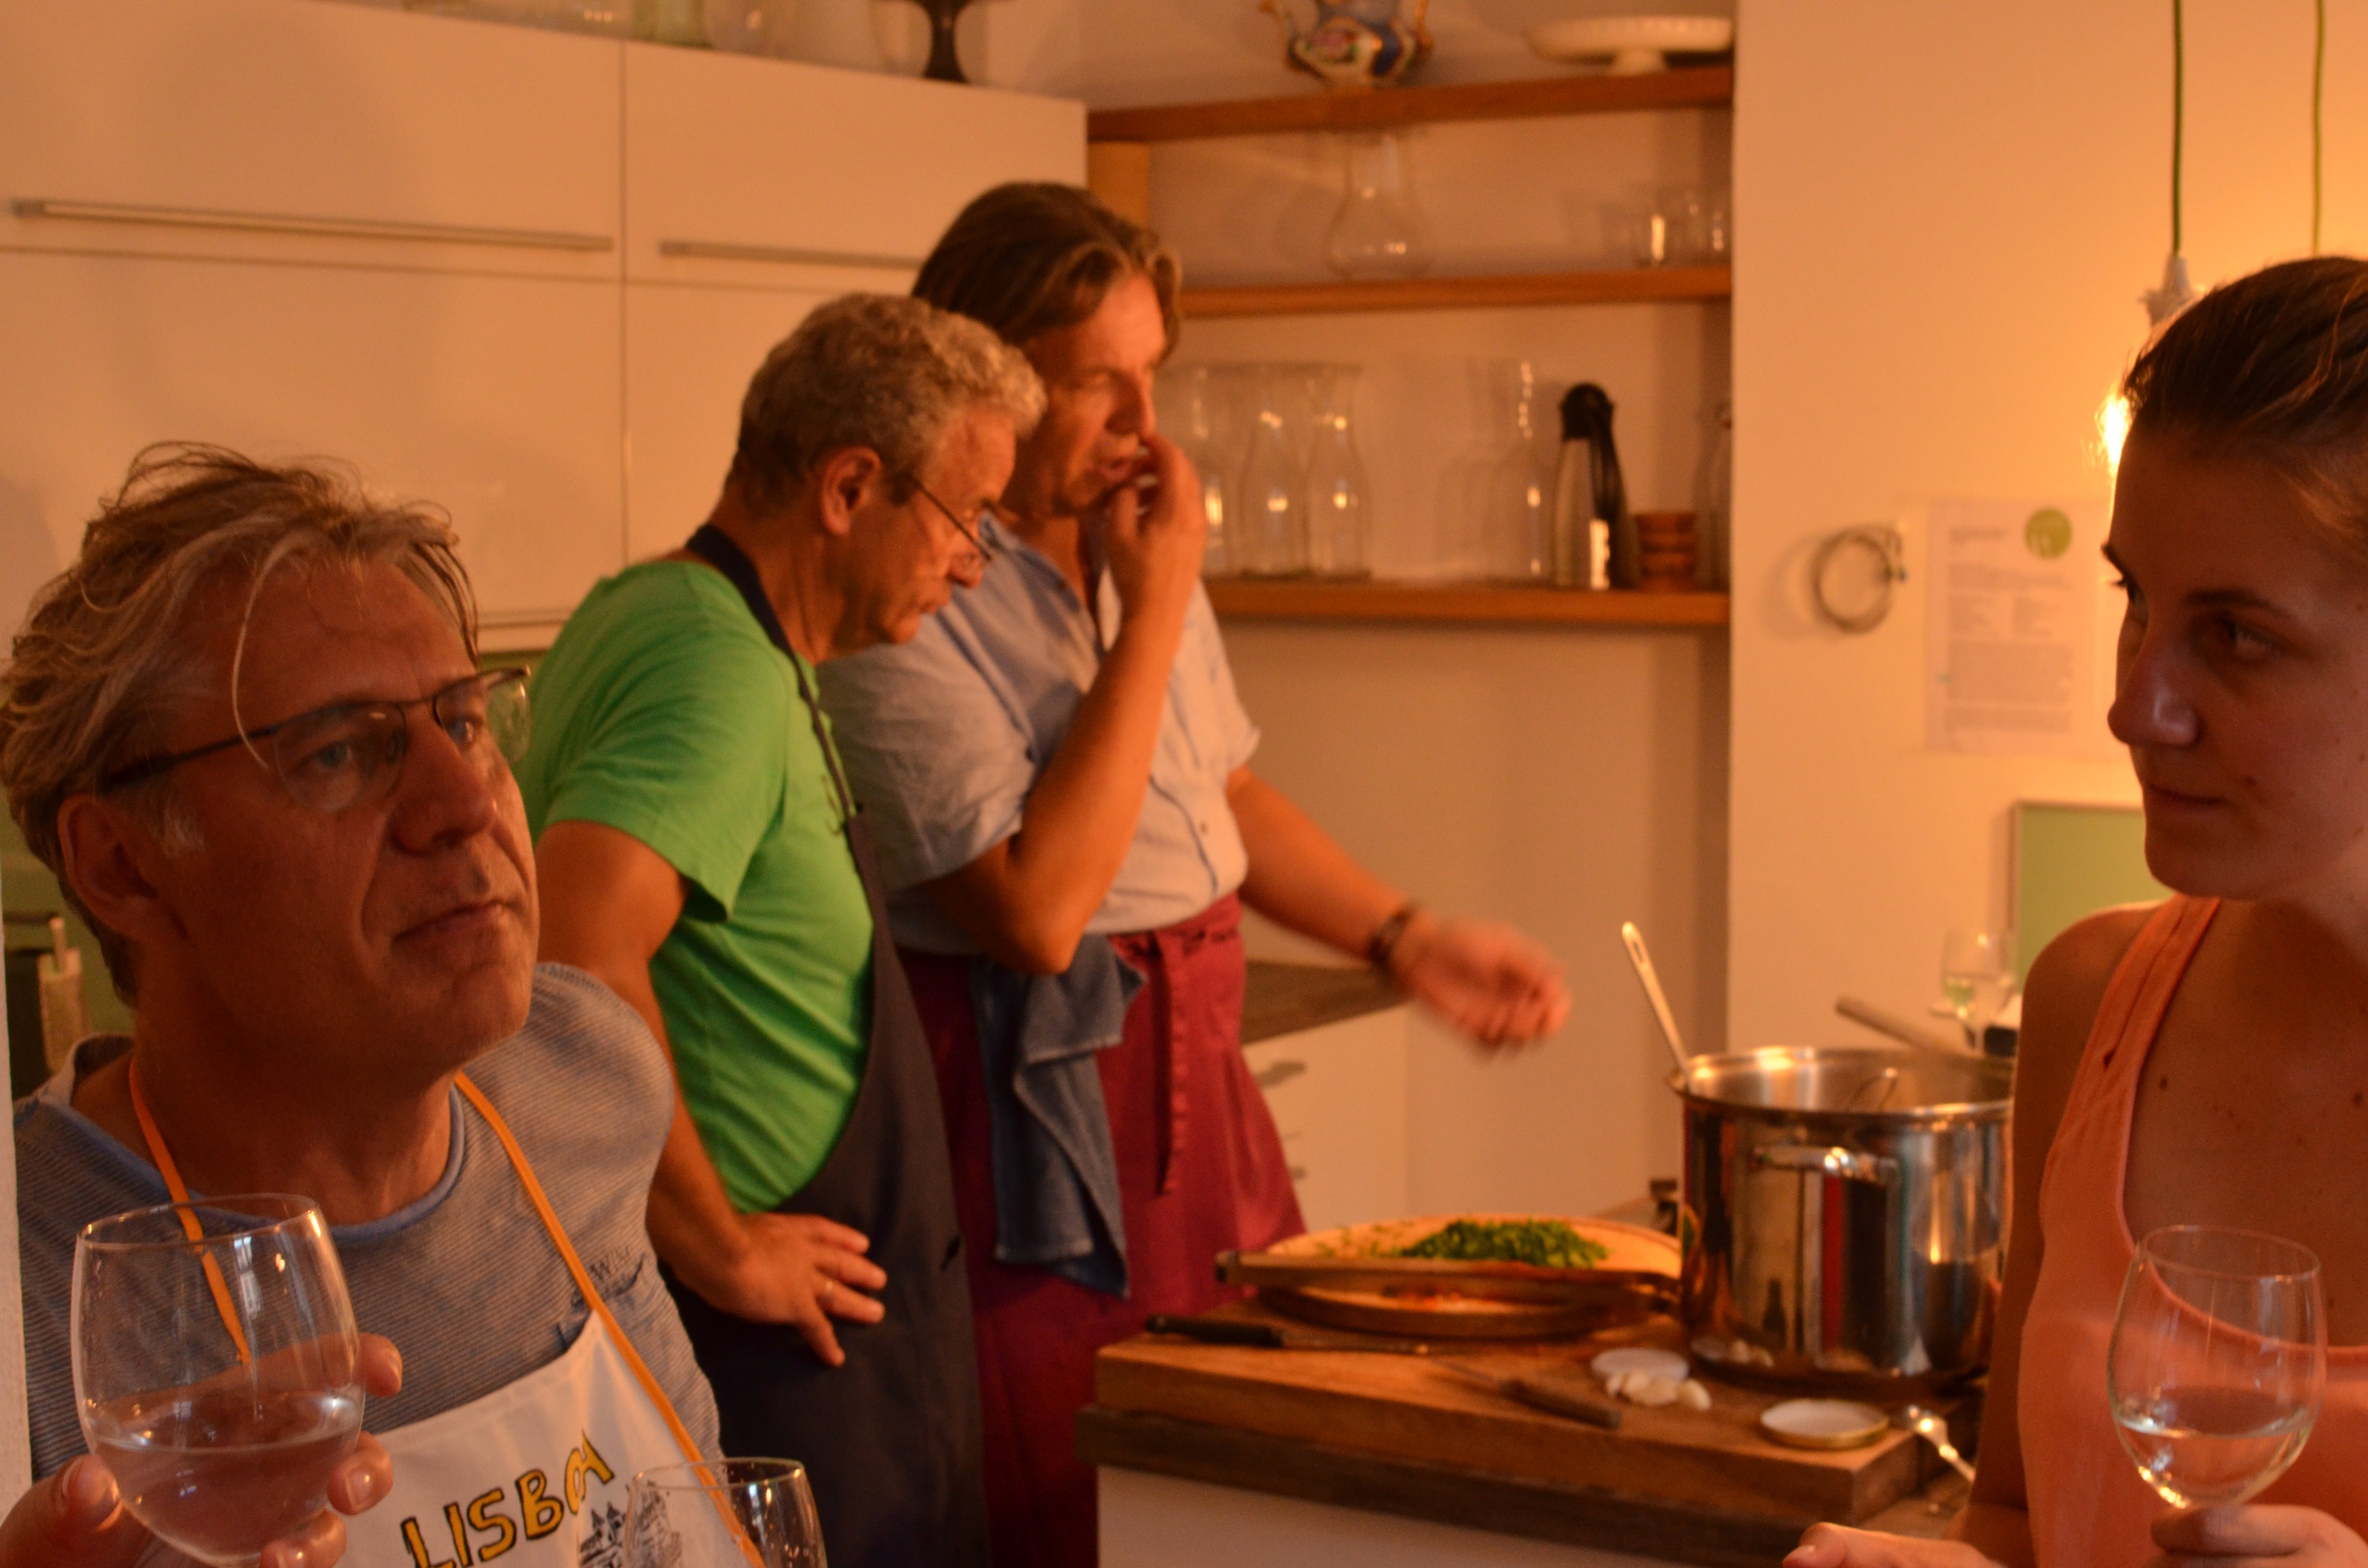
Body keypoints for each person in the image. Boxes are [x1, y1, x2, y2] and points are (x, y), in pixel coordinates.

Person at [816, 183, 1573, 1568]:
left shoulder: (1129, 537)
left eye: (1151, 374)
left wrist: (1406, 936)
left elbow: (1219, 792)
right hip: (1034, 1100)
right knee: (1070, 1486)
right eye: (1094, 383)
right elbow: (1035, 910)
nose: (1142, 424)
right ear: (984, 377)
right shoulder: (912, 585)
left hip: (1201, 1074)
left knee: (1245, 1464)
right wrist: (1158, 601)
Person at [0, 446, 721, 1568]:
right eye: (339, 753)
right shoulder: (30, 1286)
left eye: (464, 721)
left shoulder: (584, 1073)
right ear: (123, 866)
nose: (464, 802)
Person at [1789, 259, 2368, 1568]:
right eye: (2134, 602)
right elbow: (2017, 1518)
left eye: (2235, 635)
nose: (2132, 708)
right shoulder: (2094, 1002)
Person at [521, 293, 1043, 1568]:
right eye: (966, 518)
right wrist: (719, 1248)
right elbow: (575, 947)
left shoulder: (666, 614)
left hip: (819, 1340)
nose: (973, 564)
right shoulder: (718, 671)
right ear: (850, 487)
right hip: (766, 1359)